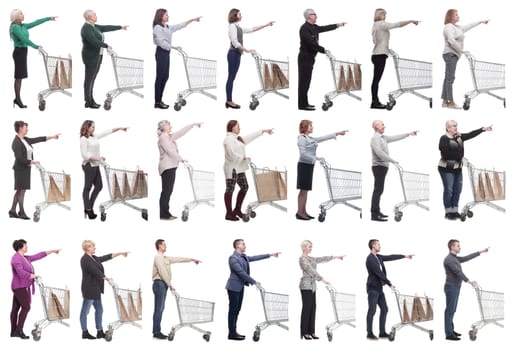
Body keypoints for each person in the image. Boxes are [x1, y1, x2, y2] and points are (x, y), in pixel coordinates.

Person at [225, 239, 280, 340]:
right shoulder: (233, 258)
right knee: (233, 311)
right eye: (243, 244)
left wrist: (270, 255)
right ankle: (232, 333)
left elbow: (255, 258)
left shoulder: (243, 257)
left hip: (240, 287)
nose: (245, 246)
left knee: (237, 310)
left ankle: (233, 332)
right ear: (237, 246)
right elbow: (241, 272)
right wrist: (254, 281)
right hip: (233, 288)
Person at [438, 121, 492, 219]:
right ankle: (448, 212)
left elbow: (471, 134)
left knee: (457, 190)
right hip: (446, 168)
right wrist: (461, 158)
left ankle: (454, 211)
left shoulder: (459, 137)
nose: (456, 128)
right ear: (448, 128)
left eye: (456, 126)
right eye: (453, 126)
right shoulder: (444, 139)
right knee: (449, 190)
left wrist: (482, 129)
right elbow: (445, 154)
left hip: (458, 168)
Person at [296, 120, 347, 220]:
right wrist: (316, 158)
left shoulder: (310, 138)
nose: (312, 127)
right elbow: (302, 154)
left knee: (306, 190)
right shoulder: (302, 138)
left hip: (309, 165)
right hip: (303, 165)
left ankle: (303, 211)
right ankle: (299, 213)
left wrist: (337, 133)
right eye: (310, 126)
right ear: (305, 127)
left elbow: (323, 138)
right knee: (303, 190)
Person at [223, 120, 273, 221]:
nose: (239, 128)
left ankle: (237, 209)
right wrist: (243, 158)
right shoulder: (228, 139)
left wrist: (262, 131)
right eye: (238, 126)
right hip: (231, 168)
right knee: (230, 189)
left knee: (245, 187)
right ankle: (228, 213)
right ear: (232, 127)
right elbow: (230, 153)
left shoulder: (238, 139)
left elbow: (250, 137)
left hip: (240, 168)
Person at [152, 239, 201, 339]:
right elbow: (162, 272)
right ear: (159, 246)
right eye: (164, 245)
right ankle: (156, 332)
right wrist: (170, 285)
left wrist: (191, 259)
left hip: (163, 285)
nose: (166, 246)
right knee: (159, 309)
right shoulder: (158, 257)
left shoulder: (165, 257)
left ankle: (156, 331)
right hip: (160, 284)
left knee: (160, 309)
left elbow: (178, 259)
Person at [11, 239, 60, 339]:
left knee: (16, 308)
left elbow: (38, 255)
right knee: (26, 307)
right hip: (19, 286)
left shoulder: (24, 258)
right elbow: (20, 273)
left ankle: (14, 332)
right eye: (26, 246)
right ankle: (18, 331)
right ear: (21, 247)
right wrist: (33, 275)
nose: (27, 247)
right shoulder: (16, 258)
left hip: (20, 286)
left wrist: (52, 251)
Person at [10, 121, 59, 220]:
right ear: (20, 128)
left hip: (26, 168)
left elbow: (38, 139)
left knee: (20, 190)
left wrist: (52, 137)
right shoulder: (16, 142)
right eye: (25, 127)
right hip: (20, 169)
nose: (27, 129)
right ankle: (21, 212)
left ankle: (12, 211)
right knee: (21, 191)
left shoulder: (25, 139)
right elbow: (19, 158)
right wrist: (31, 162)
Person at [225, 8, 274, 109]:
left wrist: (266, 25)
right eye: (239, 14)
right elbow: (234, 41)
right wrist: (246, 50)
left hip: (236, 54)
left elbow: (252, 29)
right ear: (234, 16)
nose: (241, 16)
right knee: (231, 78)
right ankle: (229, 101)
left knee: (232, 77)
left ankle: (228, 100)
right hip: (233, 54)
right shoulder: (232, 27)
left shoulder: (238, 27)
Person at [298, 9, 346, 111]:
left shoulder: (314, 27)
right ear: (308, 16)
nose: (316, 16)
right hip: (304, 58)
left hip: (310, 58)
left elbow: (325, 28)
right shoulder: (304, 28)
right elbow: (311, 44)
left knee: (307, 82)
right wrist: (324, 50)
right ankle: (302, 105)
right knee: (303, 82)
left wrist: (337, 25)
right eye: (314, 14)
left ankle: (305, 103)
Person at [79, 240, 128, 340]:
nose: (95, 248)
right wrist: (106, 277)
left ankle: (99, 331)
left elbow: (105, 257)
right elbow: (94, 270)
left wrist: (120, 253)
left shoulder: (94, 258)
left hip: (96, 288)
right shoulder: (85, 259)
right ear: (87, 248)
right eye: (93, 246)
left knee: (100, 310)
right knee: (85, 311)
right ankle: (85, 332)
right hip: (89, 289)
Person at [153, 9, 201, 109]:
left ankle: (159, 100)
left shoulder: (167, 27)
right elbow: (160, 42)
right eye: (166, 15)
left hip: (166, 53)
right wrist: (174, 47)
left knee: (165, 77)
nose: (168, 16)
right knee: (160, 78)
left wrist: (192, 20)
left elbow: (180, 25)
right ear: (160, 16)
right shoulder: (157, 28)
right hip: (161, 53)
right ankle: (157, 102)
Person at [366, 239, 413, 340]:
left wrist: (404, 256)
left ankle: (382, 332)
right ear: (373, 246)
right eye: (378, 244)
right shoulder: (370, 259)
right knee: (372, 310)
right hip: (372, 288)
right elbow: (378, 272)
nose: (380, 246)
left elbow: (391, 257)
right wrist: (389, 283)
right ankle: (369, 333)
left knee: (385, 309)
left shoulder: (378, 257)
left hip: (379, 288)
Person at [371, 9, 418, 109]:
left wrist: (390, 51)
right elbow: (396, 25)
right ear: (379, 15)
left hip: (377, 54)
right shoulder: (381, 24)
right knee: (376, 80)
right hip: (379, 56)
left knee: (376, 80)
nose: (385, 16)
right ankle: (375, 102)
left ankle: (375, 101)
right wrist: (410, 21)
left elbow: (379, 42)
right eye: (384, 14)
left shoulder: (375, 25)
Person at [370, 120, 417, 221]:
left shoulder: (383, 138)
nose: (384, 126)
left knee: (379, 190)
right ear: (376, 127)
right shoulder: (375, 138)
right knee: (378, 190)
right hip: (378, 167)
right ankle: (374, 214)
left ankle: (377, 211)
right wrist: (392, 160)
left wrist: (408, 134)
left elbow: (395, 137)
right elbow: (379, 153)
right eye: (382, 125)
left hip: (383, 166)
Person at [80, 120, 127, 220]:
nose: (94, 128)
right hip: (89, 166)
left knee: (99, 186)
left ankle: (88, 207)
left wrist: (119, 128)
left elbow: (106, 132)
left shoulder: (94, 137)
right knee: (87, 188)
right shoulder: (84, 139)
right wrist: (98, 158)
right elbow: (84, 155)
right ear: (87, 127)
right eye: (92, 127)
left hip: (96, 165)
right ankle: (88, 209)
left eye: (94, 126)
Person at [9, 10, 56, 108]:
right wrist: (36, 47)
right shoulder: (14, 27)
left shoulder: (23, 26)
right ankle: (18, 99)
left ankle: (17, 99)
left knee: (20, 76)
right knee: (18, 77)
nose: (23, 15)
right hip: (19, 53)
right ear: (16, 16)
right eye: (21, 14)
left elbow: (36, 22)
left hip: (23, 52)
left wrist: (49, 18)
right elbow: (24, 39)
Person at [81, 9, 128, 108]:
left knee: (92, 79)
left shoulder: (93, 26)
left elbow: (106, 27)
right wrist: (106, 45)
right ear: (89, 17)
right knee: (89, 80)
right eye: (94, 15)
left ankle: (89, 100)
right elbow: (93, 41)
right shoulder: (86, 28)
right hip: (91, 57)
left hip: (98, 55)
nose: (96, 16)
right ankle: (88, 101)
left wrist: (120, 27)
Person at [442, 10, 488, 109]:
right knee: (450, 79)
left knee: (448, 78)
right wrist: (461, 51)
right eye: (456, 15)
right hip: (450, 54)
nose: (458, 16)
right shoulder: (449, 27)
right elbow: (451, 40)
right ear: (450, 17)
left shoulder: (457, 27)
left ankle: (445, 101)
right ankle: (451, 103)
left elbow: (469, 26)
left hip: (453, 55)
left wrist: (480, 22)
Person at [444, 240, 489, 341]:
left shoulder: (454, 258)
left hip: (455, 286)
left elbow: (466, 258)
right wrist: (469, 281)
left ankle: (450, 329)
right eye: (458, 246)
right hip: (451, 287)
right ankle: (448, 334)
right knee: (449, 310)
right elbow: (458, 272)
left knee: (452, 310)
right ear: (452, 247)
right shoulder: (449, 259)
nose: (460, 247)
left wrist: (481, 252)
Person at [299, 240, 344, 340]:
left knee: (313, 308)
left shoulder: (311, 258)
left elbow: (322, 259)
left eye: (311, 246)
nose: (311, 248)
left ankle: (312, 332)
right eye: (310, 246)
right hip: (306, 286)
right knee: (307, 309)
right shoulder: (302, 259)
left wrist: (335, 257)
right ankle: (305, 332)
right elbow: (311, 270)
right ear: (304, 247)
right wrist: (323, 280)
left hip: (313, 287)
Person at [158, 121, 202, 220]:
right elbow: (170, 151)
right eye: (169, 125)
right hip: (167, 167)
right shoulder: (163, 137)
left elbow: (181, 132)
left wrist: (192, 124)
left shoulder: (169, 137)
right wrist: (181, 159)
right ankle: (164, 214)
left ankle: (165, 213)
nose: (171, 126)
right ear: (163, 127)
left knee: (168, 191)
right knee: (166, 191)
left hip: (171, 167)